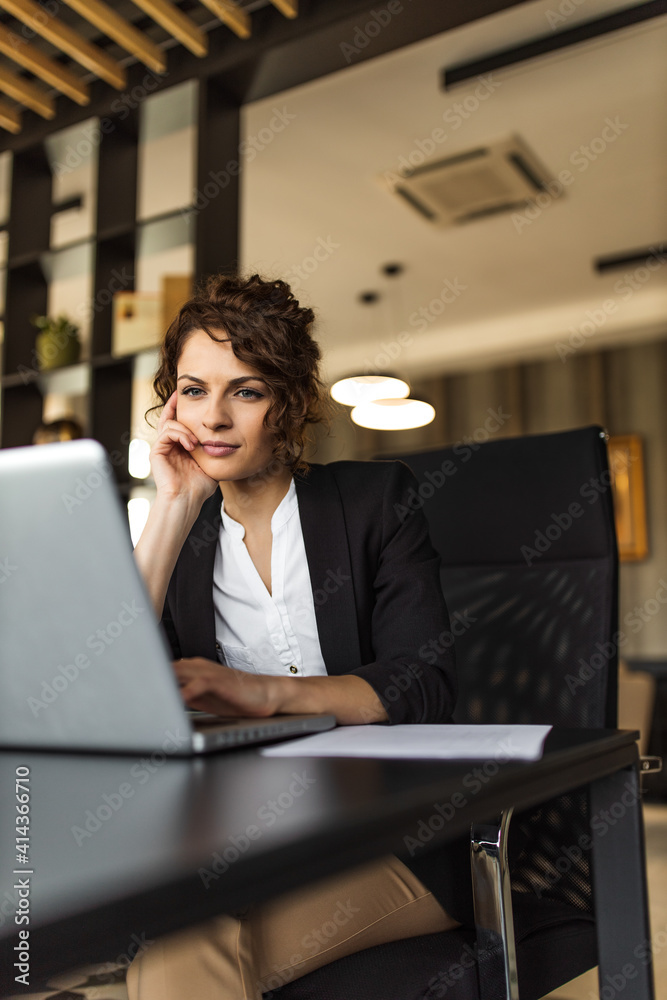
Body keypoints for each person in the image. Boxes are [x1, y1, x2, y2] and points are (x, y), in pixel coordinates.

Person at [127, 272, 461, 1000]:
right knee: (179, 935)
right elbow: (115, 697)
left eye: (244, 391)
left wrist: (264, 693)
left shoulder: (375, 502)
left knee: (189, 954)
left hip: (390, 834)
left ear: (289, 404)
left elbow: (423, 684)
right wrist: (172, 507)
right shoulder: (181, 540)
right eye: (192, 389)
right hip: (239, 832)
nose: (212, 417)